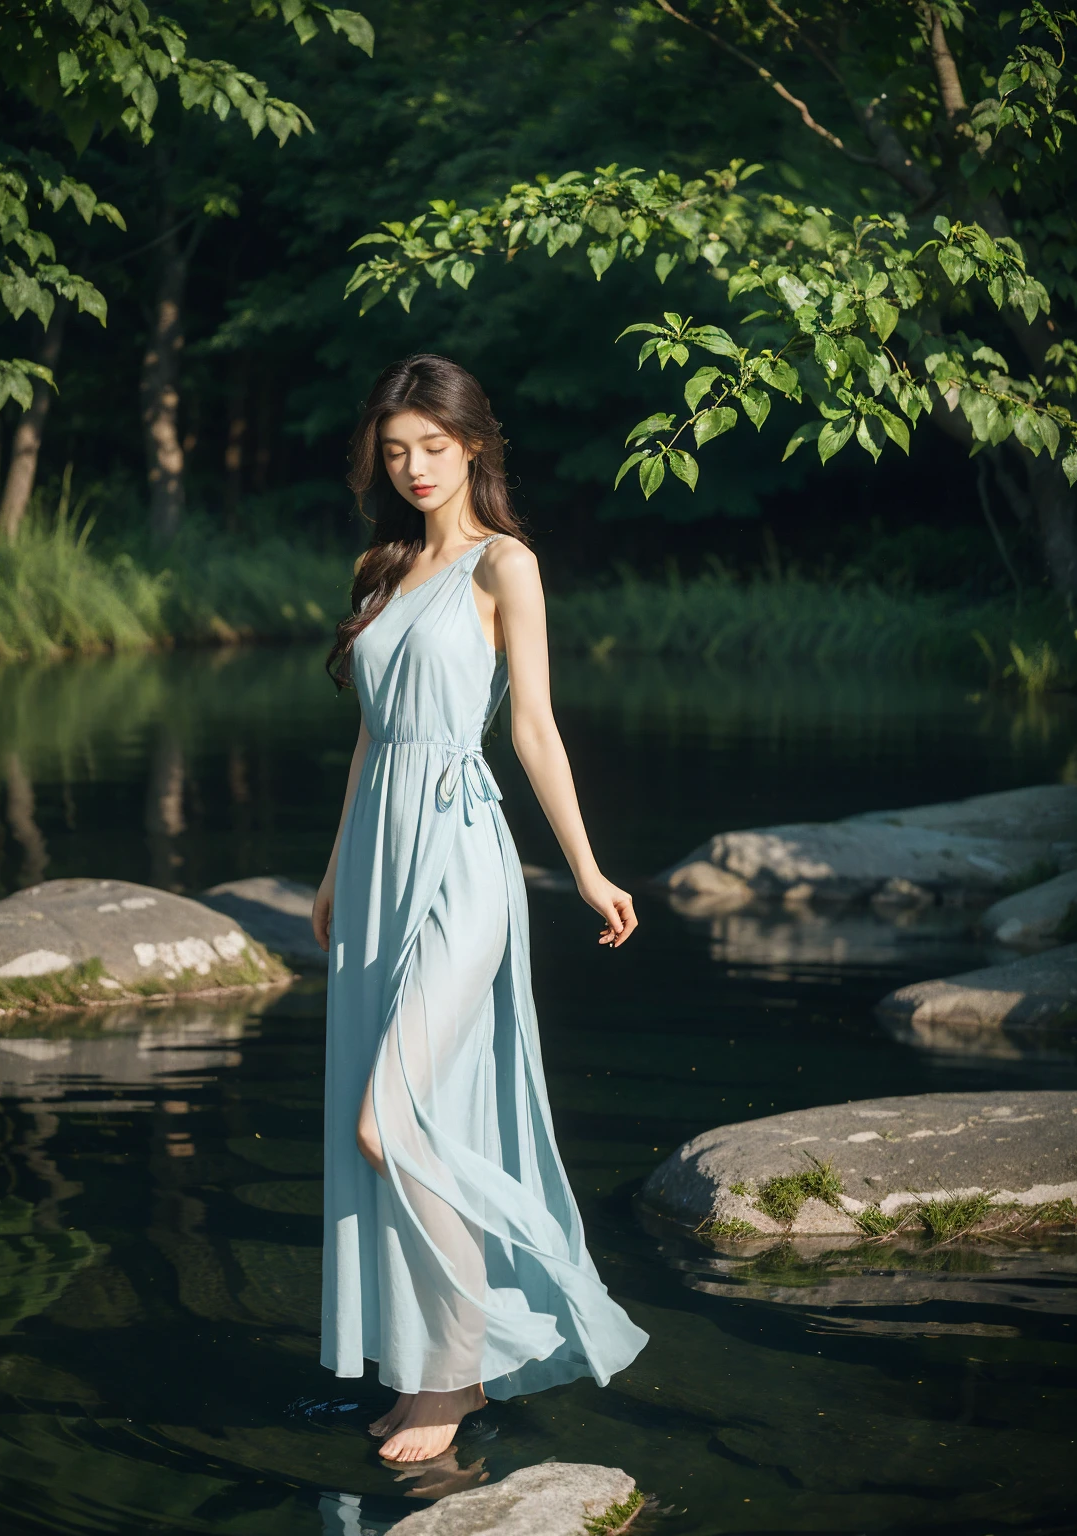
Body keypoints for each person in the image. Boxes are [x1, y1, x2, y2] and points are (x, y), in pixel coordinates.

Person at [312, 354, 648, 1465]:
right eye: (395, 450)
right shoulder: (383, 573)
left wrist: (589, 870)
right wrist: (328, 872)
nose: (412, 468)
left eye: (433, 448)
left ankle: (460, 1373)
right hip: (374, 863)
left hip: (459, 857)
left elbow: (534, 731)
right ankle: (424, 1373)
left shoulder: (507, 567)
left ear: (474, 449)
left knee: (390, 1122)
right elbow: (368, 737)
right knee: (396, 1131)